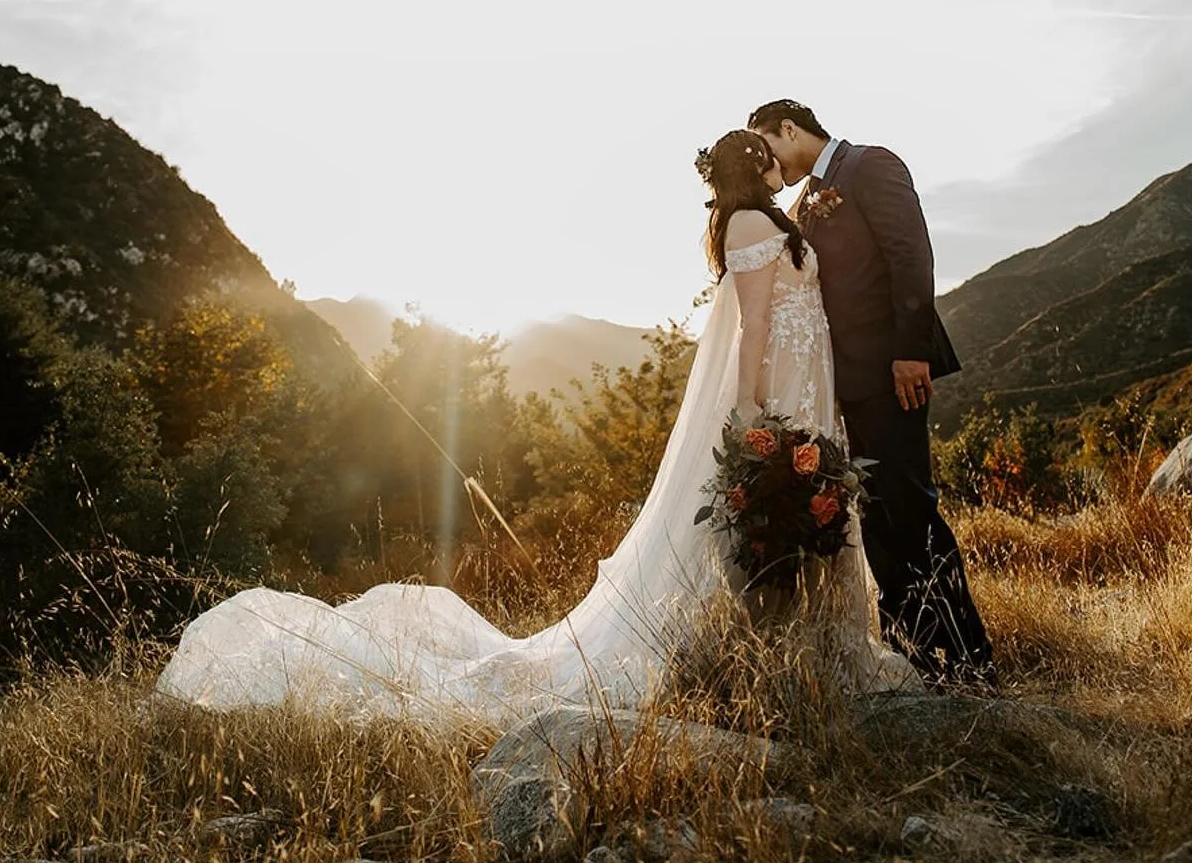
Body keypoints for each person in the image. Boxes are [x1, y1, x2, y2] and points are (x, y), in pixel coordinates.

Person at [156, 130, 914, 723]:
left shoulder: (772, 219)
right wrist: (751, 410)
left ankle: (806, 648)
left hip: (807, 389)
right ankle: (751, 656)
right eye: (766, 155)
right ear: (752, 168)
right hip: (776, 391)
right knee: (757, 526)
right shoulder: (748, 220)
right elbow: (753, 326)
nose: (779, 163)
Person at [748, 99, 996, 689]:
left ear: (790, 129)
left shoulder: (870, 165)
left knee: (911, 510)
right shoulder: (810, 196)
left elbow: (910, 254)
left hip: (892, 373)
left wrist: (910, 352)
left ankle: (969, 659)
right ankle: (913, 651)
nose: (768, 162)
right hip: (849, 382)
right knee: (879, 520)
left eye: (768, 146)